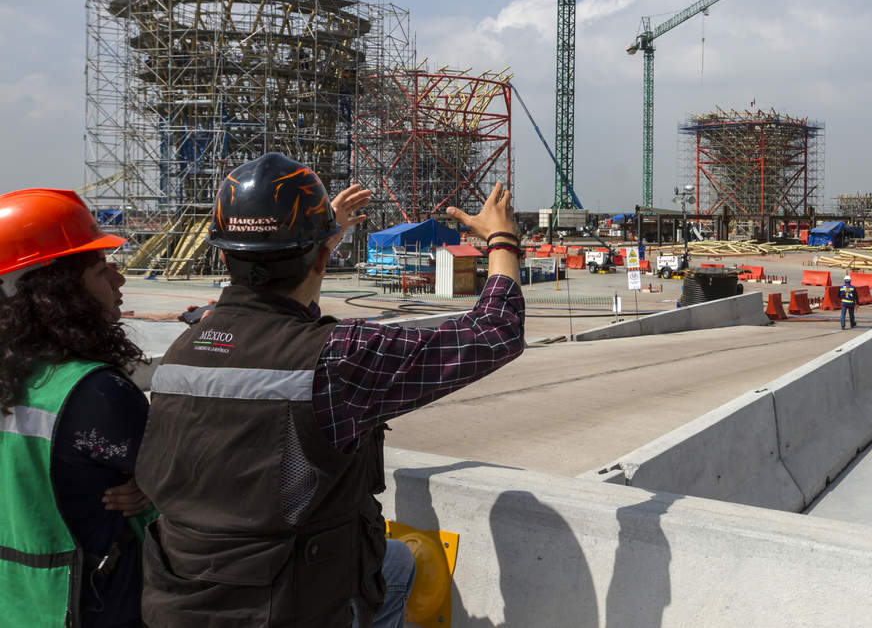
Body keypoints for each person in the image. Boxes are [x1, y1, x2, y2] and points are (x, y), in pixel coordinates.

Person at [135, 153, 526, 628]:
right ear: (322, 257)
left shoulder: (186, 347)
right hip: (290, 606)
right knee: (393, 567)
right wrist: (502, 241)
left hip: (181, 602)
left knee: (397, 562)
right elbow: (494, 331)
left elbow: (268, 316)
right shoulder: (338, 359)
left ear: (222, 254)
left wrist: (321, 238)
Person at [0, 189, 154, 628]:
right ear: (57, 290)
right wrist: (158, 485)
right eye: (100, 269)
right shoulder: (92, 393)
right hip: (85, 609)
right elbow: (188, 491)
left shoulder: (14, 379)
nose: (119, 280)